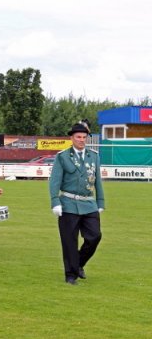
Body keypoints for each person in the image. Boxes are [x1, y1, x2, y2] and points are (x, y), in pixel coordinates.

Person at [49, 120, 105, 285]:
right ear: (72, 138)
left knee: (95, 236)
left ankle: (79, 263)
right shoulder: (63, 157)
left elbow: (98, 181)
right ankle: (71, 275)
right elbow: (54, 181)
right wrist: (55, 202)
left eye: (84, 137)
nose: (82, 140)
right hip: (68, 203)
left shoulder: (93, 156)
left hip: (88, 204)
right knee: (69, 241)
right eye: (78, 137)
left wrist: (100, 201)